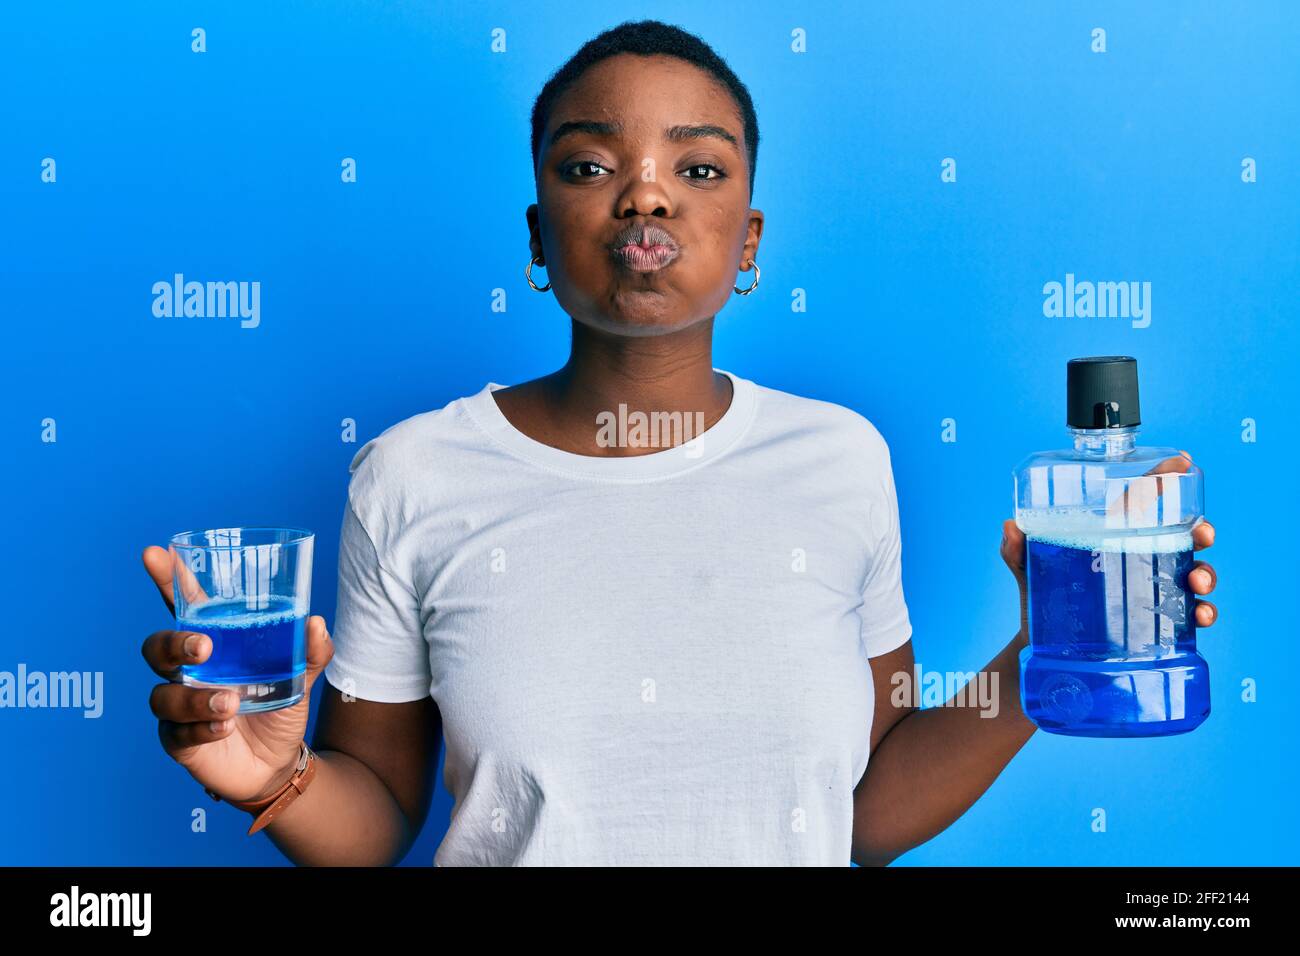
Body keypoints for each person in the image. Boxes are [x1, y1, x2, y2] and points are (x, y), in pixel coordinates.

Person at [140, 19, 1220, 866]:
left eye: (697, 168)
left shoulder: (840, 457)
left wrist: (1050, 651)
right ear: (536, 236)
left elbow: (866, 814)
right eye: (587, 165)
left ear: (748, 237)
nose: (645, 192)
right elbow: (373, 821)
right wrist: (264, 777)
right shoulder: (413, 472)